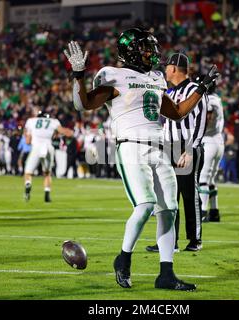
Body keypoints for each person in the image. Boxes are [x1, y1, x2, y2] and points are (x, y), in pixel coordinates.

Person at [65, 28, 219, 291]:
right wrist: (78, 75)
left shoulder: (157, 78)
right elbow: (83, 104)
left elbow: (178, 112)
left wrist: (201, 89)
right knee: (145, 205)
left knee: (169, 210)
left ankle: (166, 274)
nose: (152, 53)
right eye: (147, 48)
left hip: (159, 147)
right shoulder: (114, 75)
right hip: (132, 146)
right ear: (131, 50)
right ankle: (123, 259)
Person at [147, 53, 208, 253]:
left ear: (174, 69)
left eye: (167, 67)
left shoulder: (195, 90)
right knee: (167, 195)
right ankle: (169, 241)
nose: (165, 70)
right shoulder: (170, 93)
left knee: (189, 194)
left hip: (186, 147)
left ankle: (195, 239)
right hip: (168, 147)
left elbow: (201, 122)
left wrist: (190, 149)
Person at [23, 110, 73, 202]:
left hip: (36, 147)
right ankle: (47, 194)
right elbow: (65, 132)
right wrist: (71, 132)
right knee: (47, 173)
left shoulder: (31, 121)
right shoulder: (53, 121)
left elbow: (27, 141)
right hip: (48, 147)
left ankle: (28, 183)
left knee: (28, 173)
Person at [199, 87, 224, 223]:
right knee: (211, 179)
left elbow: (207, 118)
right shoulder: (217, 99)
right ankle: (214, 211)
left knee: (203, 178)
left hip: (209, 141)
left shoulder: (209, 100)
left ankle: (202, 211)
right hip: (219, 140)